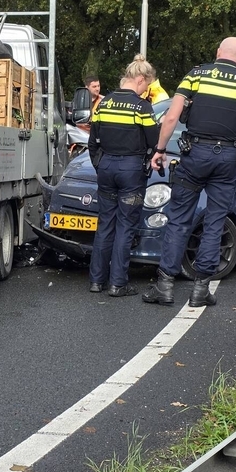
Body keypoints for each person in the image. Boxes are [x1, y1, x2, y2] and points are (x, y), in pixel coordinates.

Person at [145, 37, 236, 307]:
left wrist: (160, 150)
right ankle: (201, 290)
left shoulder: (196, 75)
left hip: (195, 155)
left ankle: (164, 287)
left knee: (179, 218)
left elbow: (171, 117)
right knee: (215, 221)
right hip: (228, 159)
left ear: (218, 52)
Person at [87, 58, 160, 297]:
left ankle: (96, 281)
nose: (146, 89)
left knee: (105, 224)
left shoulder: (104, 103)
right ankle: (118, 283)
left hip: (106, 167)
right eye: (146, 85)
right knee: (126, 226)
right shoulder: (142, 107)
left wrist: (100, 165)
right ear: (140, 79)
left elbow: (92, 142)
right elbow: (154, 142)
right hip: (131, 170)